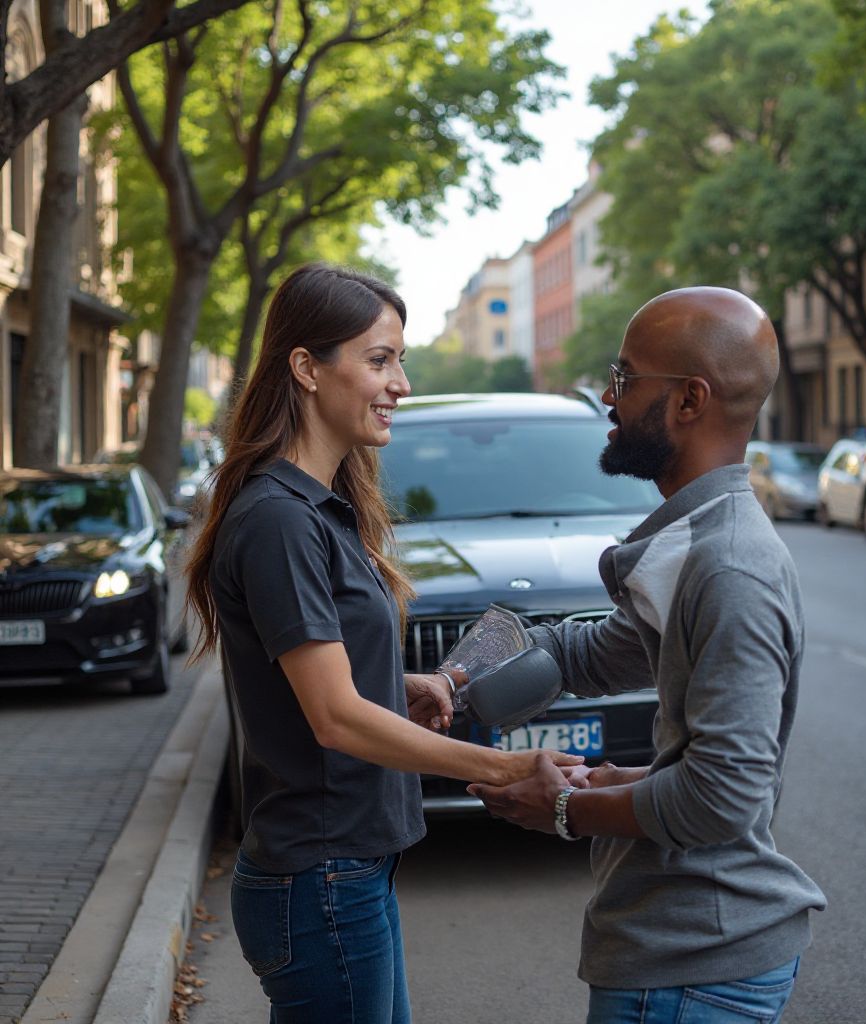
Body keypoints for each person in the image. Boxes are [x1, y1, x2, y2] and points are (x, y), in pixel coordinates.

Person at [185, 263, 580, 1024]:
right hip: (320, 877)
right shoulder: (280, 519)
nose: (401, 382)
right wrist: (505, 766)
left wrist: (396, 684)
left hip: (344, 870)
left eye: (400, 358)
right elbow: (333, 720)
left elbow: (308, 684)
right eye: (379, 359)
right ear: (306, 367)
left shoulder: (317, 507)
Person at [469, 286, 827, 1024]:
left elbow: (724, 796)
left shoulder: (727, 567)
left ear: (689, 401)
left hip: (693, 969)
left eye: (626, 379)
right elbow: (583, 652)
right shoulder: (690, 546)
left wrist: (568, 807)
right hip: (677, 959)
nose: (608, 395)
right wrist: (456, 678)